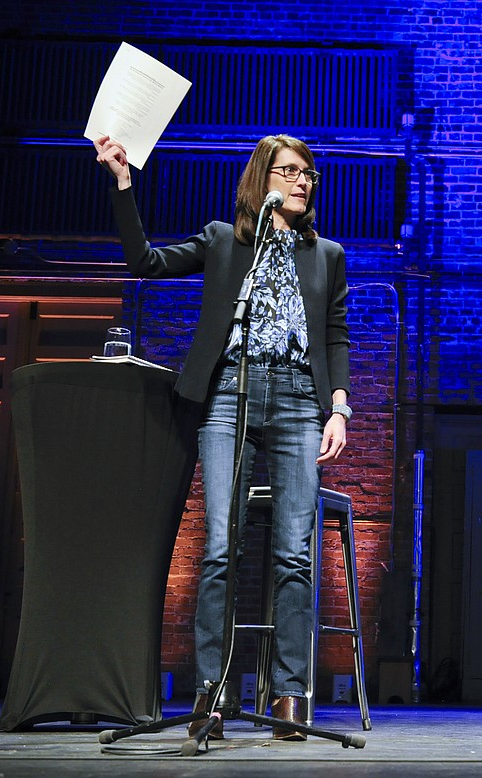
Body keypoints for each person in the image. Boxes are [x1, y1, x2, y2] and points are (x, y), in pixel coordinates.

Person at [94, 134, 351, 741]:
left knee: (293, 552)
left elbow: (336, 334)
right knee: (219, 549)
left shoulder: (327, 255)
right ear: (261, 180)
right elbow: (146, 264)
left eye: (309, 173)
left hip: (296, 399)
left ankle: (289, 696)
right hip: (228, 395)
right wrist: (124, 185)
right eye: (289, 171)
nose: (302, 181)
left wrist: (338, 408)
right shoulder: (222, 240)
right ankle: (211, 691)